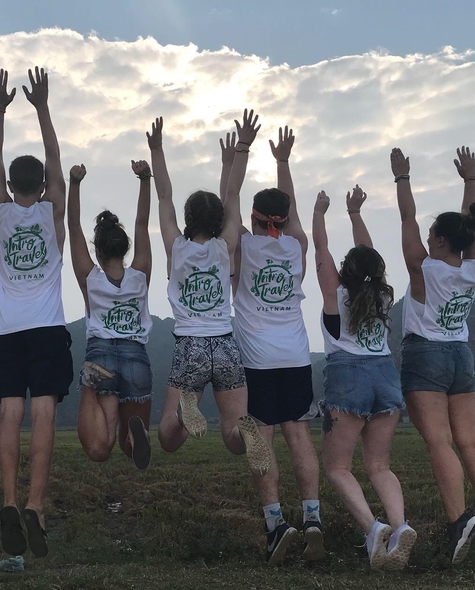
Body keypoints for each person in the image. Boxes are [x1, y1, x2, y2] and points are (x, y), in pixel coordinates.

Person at [392, 145, 475, 563]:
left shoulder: (425, 270)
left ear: (440, 240)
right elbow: (471, 230)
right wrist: (470, 181)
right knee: (471, 441)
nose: (424, 237)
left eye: (430, 235)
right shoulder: (474, 271)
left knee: (440, 442)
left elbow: (407, 217)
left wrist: (402, 178)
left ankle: (460, 522)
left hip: (426, 356)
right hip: (461, 356)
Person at [149, 111, 270, 474]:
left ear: (187, 219)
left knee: (168, 441)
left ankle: (184, 416)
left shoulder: (176, 248)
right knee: (233, 437)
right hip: (226, 344)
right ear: (219, 222)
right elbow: (232, 194)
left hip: (191, 346)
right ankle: (244, 430)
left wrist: (157, 149)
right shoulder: (225, 248)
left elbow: (164, 195)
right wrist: (241, 149)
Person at [224, 127, 324, 566]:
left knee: (260, 438)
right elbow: (292, 212)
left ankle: (274, 524)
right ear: (283, 220)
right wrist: (283, 161)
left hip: (258, 361)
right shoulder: (298, 246)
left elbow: (227, 201)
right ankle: (314, 519)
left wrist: (240, 152)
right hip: (298, 357)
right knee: (298, 434)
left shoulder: (242, 246)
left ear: (255, 215)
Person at [0, 67, 72, 560]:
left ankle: (9, 500)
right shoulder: (50, 211)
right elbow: (56, 157)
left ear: (9, 185)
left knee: (10, 412)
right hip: (47, 328)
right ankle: (36, 507)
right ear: (41, 185)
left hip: (7, 330)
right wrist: (41, 107)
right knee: (43, 412)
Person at [312, 185, 416, 570]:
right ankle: (401, 526)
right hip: (386, 376)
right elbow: (372, 261)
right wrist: (355, 214)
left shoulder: (334, 296)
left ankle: (374, 531)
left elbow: (320, 252)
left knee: (338, 468)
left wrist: (320, 213)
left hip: (348, 378)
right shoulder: (383, 296)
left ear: (344, 271)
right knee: (379, 466)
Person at [67, 160, 154, 469]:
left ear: (99, 252)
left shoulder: (90, 278)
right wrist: (145, 179)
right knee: (128, 448)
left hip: (100, 356)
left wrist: (74, 185)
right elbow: (142, 223)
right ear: (126, 248)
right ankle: (136, 433)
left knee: (99, 448)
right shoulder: (140, 275)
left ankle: (90, 385)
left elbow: (73, 228)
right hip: (135, 356)